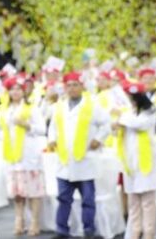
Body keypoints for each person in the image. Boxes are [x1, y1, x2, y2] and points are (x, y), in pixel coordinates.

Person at [47, 72, 111, 239]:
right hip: (64, 162)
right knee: (63, 198)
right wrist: (52, 139)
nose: (72, 88)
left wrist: (99, 139)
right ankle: (61, 230)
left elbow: (106, 124)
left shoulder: (92, 105)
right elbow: (53, 127)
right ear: (65, 88)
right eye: (69, 85)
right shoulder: (59, 106)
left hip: (85, 161)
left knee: (88, 200)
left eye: (75, 84)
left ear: (82, 86)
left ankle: (89, 230)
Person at [114, 82, 156, 239]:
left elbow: (139, 124)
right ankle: (135, 232)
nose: (131, 101)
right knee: (133, 202)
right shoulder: (129, 113)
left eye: (133, 98)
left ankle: (148, 233)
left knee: (147, 203)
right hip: (130, 163)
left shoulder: (150, 113)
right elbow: (117, 130)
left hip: (146, 162)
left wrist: (120, 117)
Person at [0, 76, 45, 236]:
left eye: (18, 89)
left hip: (29, 155)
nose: (15, 92)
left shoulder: (32, 108)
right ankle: (19, 220)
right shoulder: (5, 110)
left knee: (33, 192)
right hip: (12, 156)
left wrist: (27, 125)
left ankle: (35, 222)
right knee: (18, 193)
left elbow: (42, 128)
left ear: (24, 91)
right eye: (12, 89)